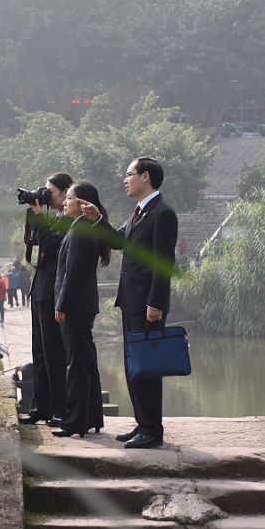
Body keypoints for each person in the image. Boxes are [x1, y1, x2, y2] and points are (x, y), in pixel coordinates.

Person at [80, 157, 178, 450]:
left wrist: (156, 303)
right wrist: (97, 219)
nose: (125, 179)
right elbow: (118, 240)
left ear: (145, 177)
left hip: (147, 304)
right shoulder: (139, 212)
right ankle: (142, 424)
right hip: (131, 301)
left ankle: (152, 430)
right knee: (135, 365)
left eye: (129, 174)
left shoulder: (162, 213)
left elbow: (164, 263)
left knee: (147, 366)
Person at [52, 182, 109, 438]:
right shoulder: (80, 228)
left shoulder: (81, 231)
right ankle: (91, 416)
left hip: (75, 307)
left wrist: (61, 305)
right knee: (86, 363)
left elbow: (71, 274)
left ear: (83, 203)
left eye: (69, 198)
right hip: (82, 305)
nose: (64, 201)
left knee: (76, 365)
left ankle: (75, 421)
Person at [20, 173, 73, 428]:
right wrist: (33, 216)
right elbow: (36, 242)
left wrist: (40, 218)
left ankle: (60, 409)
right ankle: (40, 407)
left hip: (54, 291)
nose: (45, 195)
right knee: (39, 353)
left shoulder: (70, 219)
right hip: (40, 289)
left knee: (54, 354)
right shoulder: (54, 218)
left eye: (49, 191)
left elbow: (53, 248)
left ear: (64, 192)